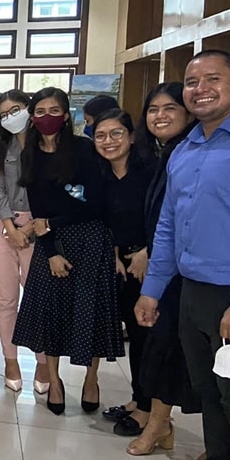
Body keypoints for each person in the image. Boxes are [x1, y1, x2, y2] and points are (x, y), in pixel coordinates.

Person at [137, 50, 230, 460]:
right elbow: (169, 225)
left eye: (212, 79)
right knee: (210, 392)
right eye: (191, 81)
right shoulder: (186, 149)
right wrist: (153, 288)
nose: (199, 89)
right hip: (194, 292)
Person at [12, 87, 122, 415]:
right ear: (32, 118)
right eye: (40, 111)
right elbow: (37, 209)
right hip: (52, 245)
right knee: (51, 315)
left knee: (92, 314)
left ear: (65, 115)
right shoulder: (29, 154)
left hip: (90, 239)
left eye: (54, 110)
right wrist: (51, 251)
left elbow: (96, 203)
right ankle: (55, 382)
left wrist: (51, 222)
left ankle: (91, 378)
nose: (48, 117)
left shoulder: (84, 149)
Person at [103, 83, 199, 456]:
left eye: (169, 108)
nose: (160, 115)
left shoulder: (184, 153)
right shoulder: (166, 152)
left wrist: (148, 251)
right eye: (153, 109)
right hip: (158, 267)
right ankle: (144, 406)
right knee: (148, 339)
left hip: (170, 269)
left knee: (162, 346)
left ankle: (154, 419)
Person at [91, 108, 157, 436]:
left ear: (131, 136)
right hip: (117, 264)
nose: (109, 141)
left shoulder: (150, 172)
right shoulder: (99, 175)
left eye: (116, 133)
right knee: (133, 333)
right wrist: (114, 253)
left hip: (149, 265)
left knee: (147, 337)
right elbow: (99, 218)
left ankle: (149, 411)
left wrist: (148, 251)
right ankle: (137, 399)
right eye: (101, 135)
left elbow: (166, 215)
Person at [0, 90, 50, 393]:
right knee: (6, 298)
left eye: (17, 110)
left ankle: (42, 362)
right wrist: (10, 228)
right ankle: (10, 360)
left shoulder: (48, 145)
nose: (10, 117)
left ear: (30, 110)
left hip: (39, 227)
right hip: (2, 225)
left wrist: (33, 227)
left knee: (38, 299)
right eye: (3, 114)